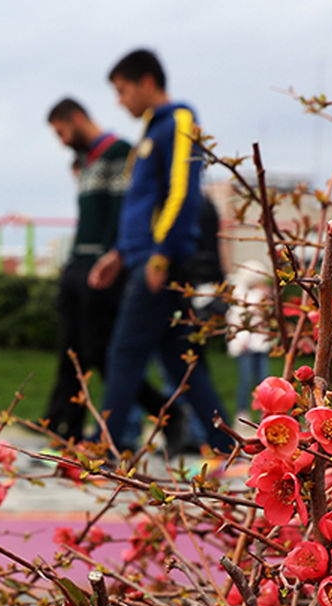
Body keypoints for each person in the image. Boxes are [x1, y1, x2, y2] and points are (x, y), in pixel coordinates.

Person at [89, 48, 232, 455]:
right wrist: (119, 252)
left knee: (124, 352)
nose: (120, 101)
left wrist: (159, 254)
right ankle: (225, 443)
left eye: (122, 90)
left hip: (160, 261)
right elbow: (143, 204)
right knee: (179, 363)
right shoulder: (151, 131)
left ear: (147, 82)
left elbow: (182, 192)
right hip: (142, 257)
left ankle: (109, 448)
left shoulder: (179, 121)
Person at [41, 97, 182, 446]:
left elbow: (124, 213)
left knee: (100, 352)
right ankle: (65, 426)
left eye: (61, 132)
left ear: (76, 118)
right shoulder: (87, 161)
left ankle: (165, 412)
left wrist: (112, 257)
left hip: (103, 271)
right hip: (78, 267)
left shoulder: (121, 153)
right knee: (70, 353)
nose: (61, 141)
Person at [226, 260, 273, 422]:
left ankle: (264, 411)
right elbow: (242, 320)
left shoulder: (263, 296)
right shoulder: (243, 297)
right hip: (245, 347)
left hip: (259, 345)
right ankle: (242, 411)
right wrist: (243, 340)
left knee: (263, 380)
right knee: (246, 380)